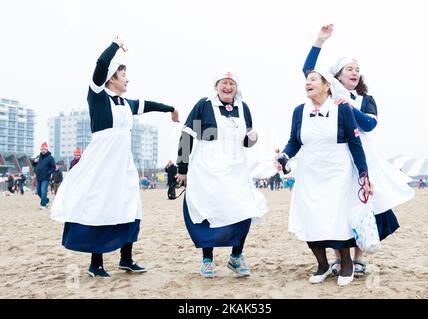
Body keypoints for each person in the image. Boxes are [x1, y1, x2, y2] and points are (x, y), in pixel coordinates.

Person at [50, 36, 179, 278]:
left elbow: (148, 104)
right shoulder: (97, 95)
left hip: (124, 163)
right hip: (101, 162)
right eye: (123, 75)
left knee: (131, 205)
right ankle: (95, 263)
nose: (127, 79)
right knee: (100, 207)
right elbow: (100, 64)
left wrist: (171, 109)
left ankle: (126, 259)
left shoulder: (126, 103)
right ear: (111, 78)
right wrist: (115, 46)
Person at [302, 24, 415, 277]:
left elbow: (370, 124)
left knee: (363, 204)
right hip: (337, 157)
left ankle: (359, 256)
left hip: (363, 156)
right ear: (337, 76)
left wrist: (351, 108)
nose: (354, 73)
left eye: (357, 70)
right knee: (337, 205)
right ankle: (337, 258)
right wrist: (319, 40)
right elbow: (309, 71)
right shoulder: (330, 93)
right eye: (349, 69)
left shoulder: (365, 99)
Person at [276, 69, 371, 286]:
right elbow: (294, 141)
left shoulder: (342, 108)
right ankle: (321, 264)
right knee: (310, 217)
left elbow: (355, 144)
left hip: (338, 170)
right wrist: (284, 155)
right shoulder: (299, 111)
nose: (307, 83)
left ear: (327, 85)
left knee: (337, 218)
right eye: (307, 80)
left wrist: (364, 174)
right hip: (309, 171)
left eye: (313, 79)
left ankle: (346, 263)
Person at [176, 71, 267, 278]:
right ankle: (207, 260)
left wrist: (253, 138)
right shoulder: (204, 105)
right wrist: (183, 168)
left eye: (232, 83)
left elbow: (246, 142)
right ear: (216, 85)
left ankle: (236, 257)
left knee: (244, 210)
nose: (228, 87)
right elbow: (187, 135)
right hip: (207, 169)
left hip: (236, 169)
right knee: (210, 212)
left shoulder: (243, 108)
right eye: (224, 83)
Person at [32, 142, 56, 209]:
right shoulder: (38, 157)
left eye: (44, 149)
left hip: (45, 178)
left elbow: (53, 167)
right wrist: (34, 161)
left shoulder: (50, 158)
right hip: (38, 177)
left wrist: (48, 173)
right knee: (38, 192)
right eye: (42, 149)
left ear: (47, 149)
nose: (43, 150)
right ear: (40, 149)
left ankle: (43, 205)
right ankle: (47, 200)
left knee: (43, 191)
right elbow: (33, 165)